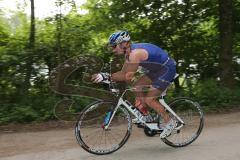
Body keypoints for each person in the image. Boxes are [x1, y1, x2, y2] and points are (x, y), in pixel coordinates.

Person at [91, 31, 177, 138]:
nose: (113, 49)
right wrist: (108, 77)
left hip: (166, 69)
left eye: (114, 46)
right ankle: (147, 116)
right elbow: (123, 73)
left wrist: (106, 76)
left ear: (123, 44)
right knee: (137, 86)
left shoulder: (135, 54)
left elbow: (127, 77)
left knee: (149, 99)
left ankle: (170, 122)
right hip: (156, 70)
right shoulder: (128, 54)